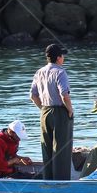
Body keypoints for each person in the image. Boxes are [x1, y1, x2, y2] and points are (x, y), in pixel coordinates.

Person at [30, 44, 74, 180]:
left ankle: (48, 180)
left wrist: (43, 109)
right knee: (61, 149)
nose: (64, 58)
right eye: (62, 56)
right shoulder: (60, 72)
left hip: (44, 112)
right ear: (58, 57)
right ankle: (60, 183)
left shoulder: (39, 72)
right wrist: (70, 110)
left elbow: (33, 95)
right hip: (60, 112)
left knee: (47, 149)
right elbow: (64, 94)